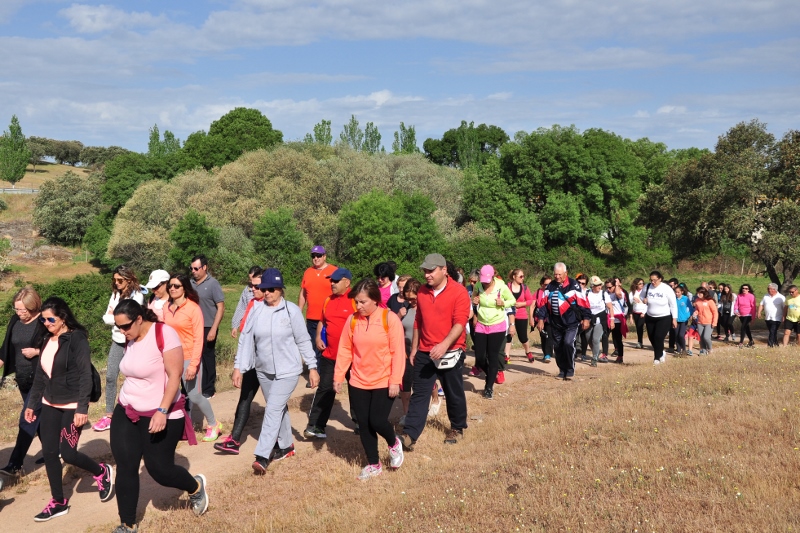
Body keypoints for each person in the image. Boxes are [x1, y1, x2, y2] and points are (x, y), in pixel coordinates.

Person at [110, 301, 208, 532]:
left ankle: (195, 487)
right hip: (127, 410)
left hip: (161, 412)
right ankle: (127, 524)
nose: (122, 332)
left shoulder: (164, 334)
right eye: (118, 328)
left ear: (139, 319)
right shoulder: (129, 339)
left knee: (159, 470)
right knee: (125, 466)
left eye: (125, 327)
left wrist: (162, 410)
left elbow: (175, 377)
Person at [25, 297, 113, 522]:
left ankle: (101, 471)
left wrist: (82, 408)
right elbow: (41, 376)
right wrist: (32, 404)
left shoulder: (77, 339)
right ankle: (58, 501)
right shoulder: (46, 339)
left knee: (69, 453)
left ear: (62, 317)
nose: (46, 323)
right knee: (50, 453)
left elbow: (85, 375)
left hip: (73, 405)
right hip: (49, 403)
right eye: (43, 320)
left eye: (50, 319)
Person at [235, 268, 319, 475]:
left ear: (281, 289)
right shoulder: (256, 310)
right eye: (264, 289)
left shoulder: (291, 311)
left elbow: (303, 340)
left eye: (271, 289)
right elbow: (245, 339)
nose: (267, 293)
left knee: (272, 408)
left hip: (288, 371)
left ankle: (262, 456)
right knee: (278, 408)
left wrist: (313, 367)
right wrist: (239, 367)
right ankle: (287, 446)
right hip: (264, 371)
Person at [334, 278, 406, 480]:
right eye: (356, 302)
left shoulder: (389, 319)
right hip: (358, 380)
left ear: (375, 300)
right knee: (364, 424)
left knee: (376, 420)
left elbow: (398, 352)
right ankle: (373, 464)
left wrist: (395, 380)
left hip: (383, 380)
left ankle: (394, 443)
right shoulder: (353, 320)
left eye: (363, 302)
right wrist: (339, 375)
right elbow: (345, 349)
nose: (358, 306)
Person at [400, 253, 470, 450]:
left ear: (444, 270)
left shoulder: (459, 292)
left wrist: (444, 345)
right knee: (420, 394)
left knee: (453, 392)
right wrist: (414, 348)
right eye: (425, 271)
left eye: (431, 271)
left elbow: (459, 323)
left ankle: (457, 427)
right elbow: (418, 322)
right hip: (425, 351)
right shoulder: (421, 292)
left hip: (451, 351)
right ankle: (410, 435)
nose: (427, 275)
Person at [162, 273, 222, 442]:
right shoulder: (166, 307)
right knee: (170, 393)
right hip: (171, 358)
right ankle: (176, 427)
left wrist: (193, 365)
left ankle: (213, 424)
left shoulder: (193, 308)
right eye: (170, 286)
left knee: (194, 395)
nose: (172, 289)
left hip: (188, 357)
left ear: (185, 288)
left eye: (176, 286)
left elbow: (198, 339)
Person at [215, 273, 266, 453]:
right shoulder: (252, 305)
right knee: (244, 399)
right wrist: (238, 367)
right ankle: (234, 440)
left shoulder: (280, 308)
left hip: (271, 367)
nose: (252, 289)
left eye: (257, 287)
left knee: (276, 405)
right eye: (251, 286)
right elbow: (244, 338)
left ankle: (281, 444)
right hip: (253, 364)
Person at [0, 287, 48, 476]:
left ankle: (15, 464)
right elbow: (5, 350)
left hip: (40, 378)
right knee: (38, 418)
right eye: (17, 309)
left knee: (26, 419)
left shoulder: (45, 321)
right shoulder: (15, 321)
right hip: (23, 379)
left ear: (34, 306)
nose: (20, 314)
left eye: (23, 310)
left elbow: (58, 345)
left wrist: (36, 352)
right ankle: (55, 451)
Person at [304, 268, 356, 439]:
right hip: (330, 355)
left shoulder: (356, 300)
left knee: (357, 391)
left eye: (335, 281)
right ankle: (316, 426)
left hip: (352, 357)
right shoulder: (328, 300)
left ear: (346, 282)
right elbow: (322, 321)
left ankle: (360, 423)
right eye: (331, 281)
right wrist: (318, 336)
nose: (331, 284)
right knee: (325, 389)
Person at [93, 265, 145, 432]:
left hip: (133, 340)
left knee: (134, 376)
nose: (116, 283)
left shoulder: (137, 296)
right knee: (110, 376)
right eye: (114, 280)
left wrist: (112, 317)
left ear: (129, 279)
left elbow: (124, 318)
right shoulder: (115, 294)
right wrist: (113, 317)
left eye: (120, 280)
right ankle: (109, 414)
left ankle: (138, 410)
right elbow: (107, 316)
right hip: (117, 340)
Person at [535, 263, 591, 380]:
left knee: (568, 343)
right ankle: (562, 370)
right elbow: (544, 304)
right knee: (558, 347)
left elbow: (583, 302)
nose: (557, 276)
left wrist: (586, 318)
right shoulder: (550, 286)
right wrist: (540, 319)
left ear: (565, 273)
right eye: (555, 274)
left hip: (571, 322)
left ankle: (570, 369)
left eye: (559, 274)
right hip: (555, 323)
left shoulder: (574, 285)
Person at [472, 265, 516, 399]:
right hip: (481, 324)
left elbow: (512, 300)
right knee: (479, 357)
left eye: (487, 280)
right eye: (483, 280)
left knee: (492, 356)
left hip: (497, 325)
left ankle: (489, 387)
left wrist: (503, 302)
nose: (485, 283)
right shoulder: (478, 285)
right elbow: (473, 299)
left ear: (493, 276)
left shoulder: (501, 286)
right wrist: (474, 301)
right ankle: (492, 373)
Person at [190, 254, 225, 398]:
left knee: (207, 357)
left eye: (196, 268)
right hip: (192, 326)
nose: (193, 271)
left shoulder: (213, 284)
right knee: (193, 357)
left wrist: (214, 329)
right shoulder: (190, 283)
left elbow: (221, 307)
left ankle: (209, 389)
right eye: (191, 268)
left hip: (207, 326)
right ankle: (193, 388)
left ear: (205, 268)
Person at [299, 245, 338, 367]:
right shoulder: (308, 272)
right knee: (313, 346)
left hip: (328, 317)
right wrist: (298, 312)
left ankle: (328, 373)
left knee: (327, 345)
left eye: (319, 255)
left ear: (324, 256)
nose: (316, 258)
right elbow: (303, 294)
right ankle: (315, 373)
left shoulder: (334, 270)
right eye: (313, 256)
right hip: (311, 317)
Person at [642, 271, 677, 365]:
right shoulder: (647, 287)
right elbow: (642, 297)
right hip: (650, 316)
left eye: (655, 280)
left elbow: (673, 304)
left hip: (664, 317)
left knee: (658, 337)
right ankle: (661, 352)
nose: (653, 282)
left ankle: (657, 358)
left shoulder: (666, 288)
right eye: (651, 280)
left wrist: (674, 318)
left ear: (660, 279)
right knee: (651, 338)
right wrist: (644, 300)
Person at [505, 269, 536, 363]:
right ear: (514, 277)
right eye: (521, 276)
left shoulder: (524, 287)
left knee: (522, 337)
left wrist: (521, 304)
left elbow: (530, 300)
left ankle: (528, 351)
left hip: (521, 315)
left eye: (523, 276)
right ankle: (506, 355)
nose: (523, 278)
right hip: (509, 315)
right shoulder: (507, 287)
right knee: (508, 335)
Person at [585, 276, 612, 367]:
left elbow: (610, 307)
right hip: (589, 318)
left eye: (600, 284)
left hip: (600, 319)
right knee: (588, 338)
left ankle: (595, 358)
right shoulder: (587, 293)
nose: (599, 286)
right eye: (597, 285)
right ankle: (596, 351)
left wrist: (612, 320)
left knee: (595, 339)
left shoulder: (604, 294)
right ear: (592, 286)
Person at [230, 266, 263, 338]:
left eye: (256, 285)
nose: (252, 284)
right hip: (247, 328)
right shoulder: (247, 290)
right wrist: (235, 325)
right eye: (250, 280)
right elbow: (241, 307)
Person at [606, 278, 628, 363]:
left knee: (617, 339)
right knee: (605, 336)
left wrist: (617, 285)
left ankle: (620, 356)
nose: (608, 289)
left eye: (610, 287)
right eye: (607, 287)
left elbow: (618, 293)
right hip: (607, 318)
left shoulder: (620, 293)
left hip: (617, 319)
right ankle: (604, 354)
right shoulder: (606, 293)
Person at [533, 275, 554, 363]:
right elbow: (532, 306)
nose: (547, 286)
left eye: (550, 284)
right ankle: (545, 353)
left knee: (549, 335)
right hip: (540, 316)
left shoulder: (553, 292)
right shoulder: (538, 292)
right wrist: (531, 319)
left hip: (549, 316)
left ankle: (548, 354)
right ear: (542, 284)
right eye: (546, 284)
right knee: (543, 335)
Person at [692, 287, 719, 355]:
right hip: (700, 322)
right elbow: (697, 309)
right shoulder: (697, 300)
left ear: (704, 293)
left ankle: (710, 348)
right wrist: (696, 312)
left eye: (700, 293)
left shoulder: (710, 301)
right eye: (697, 293)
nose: (698, 294)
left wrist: (714, 322)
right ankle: (703, 351)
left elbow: (715, 312)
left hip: (709, 322)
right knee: (701, 338)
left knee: (706, 337)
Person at [758, 283, 785, 348]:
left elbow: (785, 308)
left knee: (773, 331)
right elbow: (761, 305)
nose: (768, 290)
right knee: (772, 331)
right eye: (768, 288)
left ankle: (770, 345)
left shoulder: (781, 297)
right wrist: (759, 312)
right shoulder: (765, 296)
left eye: (769, 289)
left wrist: (784, 316)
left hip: (777, 318)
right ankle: (776, 343)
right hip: (768, 317)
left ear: (774, 289)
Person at [674, 286, 693, 355]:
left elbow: (690, 308)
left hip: (684, 320)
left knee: (681, 335)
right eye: (675, 292)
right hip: (675, 320)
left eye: (678, 292)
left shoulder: (685, 299)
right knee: (676, 335)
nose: (677, 293)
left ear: (682, 292)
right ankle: (678, 350)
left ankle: (684, 349)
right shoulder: (674, 299)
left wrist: (689, 315)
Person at [629, 278, 647, 349]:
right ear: (636, 284)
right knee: (638, 328)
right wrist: (633, 299)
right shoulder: (633, 292)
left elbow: (647, 303)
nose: (642, 285)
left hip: (643, 312)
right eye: (640, 283)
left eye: (642, 283)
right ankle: (640, 342)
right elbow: (630, 302)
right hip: (635, 312)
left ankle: (641, 342)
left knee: (640, 326)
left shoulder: (645, 292)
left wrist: (643, 312)